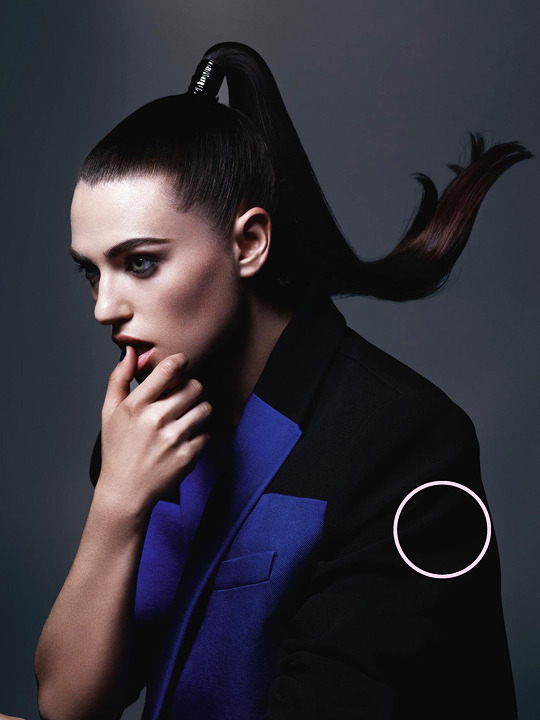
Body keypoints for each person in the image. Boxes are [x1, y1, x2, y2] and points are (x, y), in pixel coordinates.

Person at [34, 41, 532, 720]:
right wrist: (116, 504)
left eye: (140, 263)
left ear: (249, 243)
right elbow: (69, 705)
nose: (104, 308)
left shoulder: (410, 441)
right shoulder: (142, 433)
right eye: (92, 271)